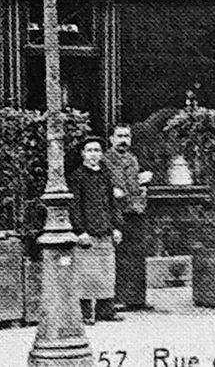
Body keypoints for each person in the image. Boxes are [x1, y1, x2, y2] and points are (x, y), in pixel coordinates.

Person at [68, 137, 124, 324]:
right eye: (90, 150)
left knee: (107, 272)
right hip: (88, 233)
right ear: (83, 153)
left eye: (97, 151)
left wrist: (116, 226)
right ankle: (85, 313)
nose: (94, 154)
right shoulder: (77, 177)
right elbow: (74, 206)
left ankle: (105, 310)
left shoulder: (105, 175)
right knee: (85, 273)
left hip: (105, 230)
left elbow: (112, 203)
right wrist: (80, 230)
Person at [103, 125, 154, 311]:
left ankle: (137, 298)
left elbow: (135, 185)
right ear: (111, 139)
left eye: (127, 136)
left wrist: (142, 185)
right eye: (119, 136)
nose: (123, 140)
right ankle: (119, 299)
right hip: (117, 212)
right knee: (120, 255)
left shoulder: (133, 158)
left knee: (138, 254)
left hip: (136, 211)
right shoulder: (106, 159)